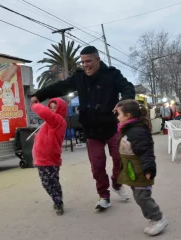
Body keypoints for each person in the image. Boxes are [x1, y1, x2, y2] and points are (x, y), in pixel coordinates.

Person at [31, 46, 135, 210]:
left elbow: (128, 88)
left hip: (111, 126)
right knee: (97, 165)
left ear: (97, 60)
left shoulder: (112, 74)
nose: (86, 65)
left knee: (120, 159)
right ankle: (104, 196)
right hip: (91, 130)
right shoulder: (79, 78)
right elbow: (61, 86)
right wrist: (39, 95)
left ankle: (117, 183)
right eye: (83, 62)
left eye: (89, 61)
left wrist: (125, 105)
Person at [116, 99, 168, 236]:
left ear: (127, 116)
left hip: (141, 171)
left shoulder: (137, 131)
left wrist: (149, 169)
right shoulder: (129, 129)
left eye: (119, 114)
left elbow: (146, 152)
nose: (117, 117)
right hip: (133, 170)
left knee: (142, 197)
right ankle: (153, 218)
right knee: (139, 197)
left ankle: (158, 218)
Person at [31, 98, 67, 215]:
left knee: (53, 182)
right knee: (46, 183)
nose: (51, 110)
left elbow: (44, 112)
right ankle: (57, 200)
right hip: (41, 159)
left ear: (60, 109)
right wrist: (37, 137)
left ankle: (58, 202)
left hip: (51, 159)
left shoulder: (58, 120)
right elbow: (46, 138)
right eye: (50, 107)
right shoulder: (48, 123)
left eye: (54, 108)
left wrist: (34, 105)